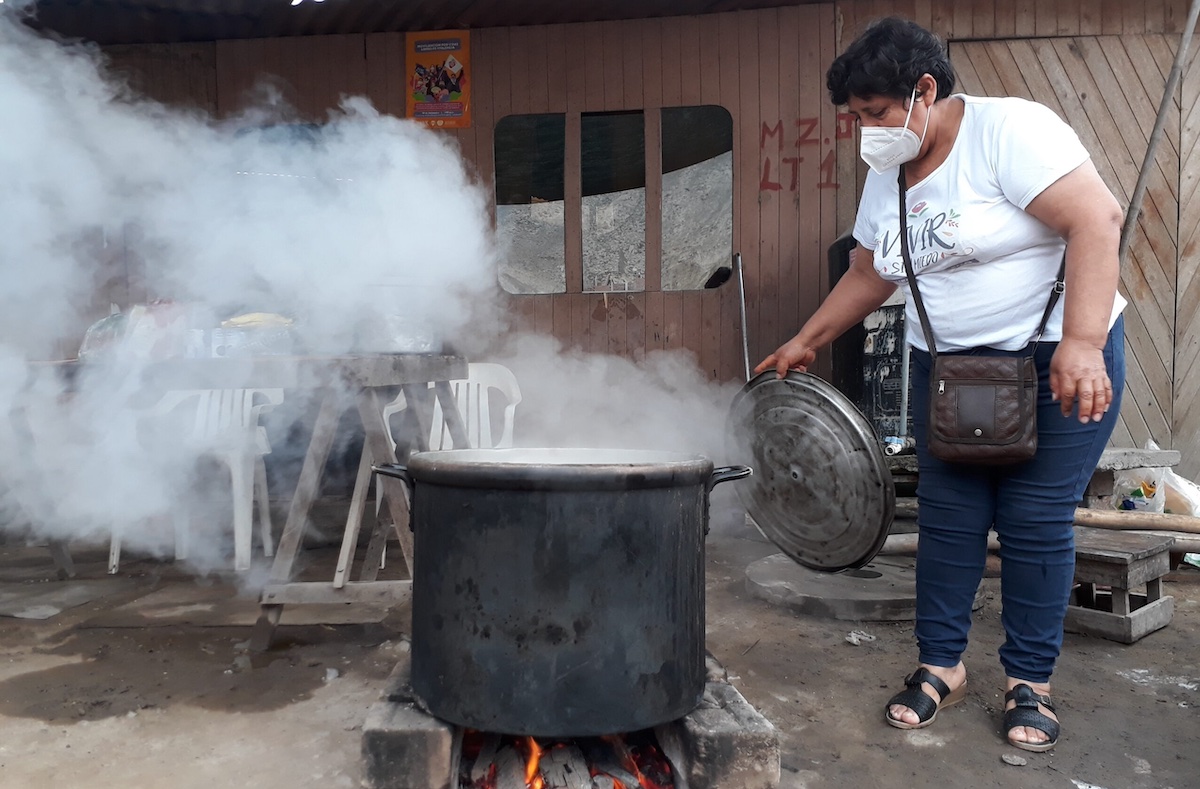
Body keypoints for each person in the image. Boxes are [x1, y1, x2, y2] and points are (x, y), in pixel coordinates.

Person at [756, 17, 1126, 753]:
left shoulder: (1010, 133)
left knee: (1031, 521)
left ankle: (1031, 683)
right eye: (855, 117)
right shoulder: (888, 173)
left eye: (875, 113)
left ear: (924, 91)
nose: (865, 130)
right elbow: (870, 271)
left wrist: (1083, 343)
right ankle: (940, 668)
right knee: (949, 521)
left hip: (1052, 359)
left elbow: (1096, 219)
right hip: (951, 371)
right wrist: (806, 339)